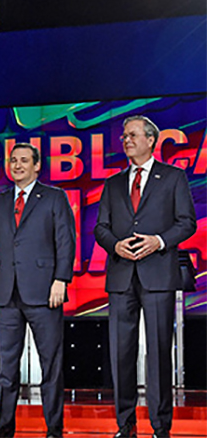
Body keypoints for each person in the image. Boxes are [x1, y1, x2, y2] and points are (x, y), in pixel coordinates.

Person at [95, 115, 196, 438]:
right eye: (124, 136)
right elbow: (100, 228)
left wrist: (159, 241)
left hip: (158, 275)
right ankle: (125, 424)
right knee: (120, 354)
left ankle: (160, 425)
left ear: (151, 140)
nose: (126, 140)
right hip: (121, 276)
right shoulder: (112, 183)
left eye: (133, 135)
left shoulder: (173, 178)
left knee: (158, 353)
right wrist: (115, 245)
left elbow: (187, 223)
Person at [0, 143, 76, 438]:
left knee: (51, 365)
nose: (17, 165)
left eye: (23, 161)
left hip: (45, 292)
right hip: (6, 294)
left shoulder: (55, 198)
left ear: (37, 166)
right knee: (6, 367)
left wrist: (61, 279)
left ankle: (53, 428)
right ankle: (3, 427)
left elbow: (65, 242)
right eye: (13, 160)